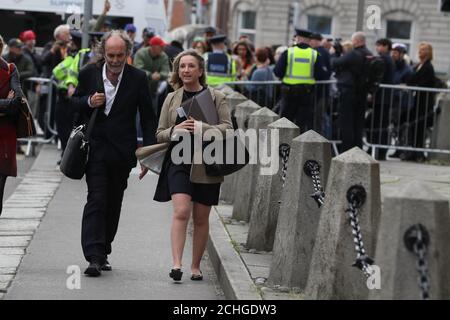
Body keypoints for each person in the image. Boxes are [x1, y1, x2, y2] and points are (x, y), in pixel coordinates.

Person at [70, 30, 157, 277]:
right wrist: (88, 102)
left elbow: (148, 118)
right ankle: (94, 256)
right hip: (95, 148)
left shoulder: (138, 78)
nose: (116, 60)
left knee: (113, 202)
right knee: (96, 198)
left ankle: (104, 248)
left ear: (127, 53)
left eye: (120, 55)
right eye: (111, 55)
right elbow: (73, 104)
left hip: (122, 151)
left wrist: (148, 154)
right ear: (103, 53)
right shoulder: (89, 73)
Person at [154, 49, 232, 282]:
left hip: (207, 162)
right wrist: (174, 131)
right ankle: (176, 264)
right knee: (181, 211)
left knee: (200, 217)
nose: (186, 70)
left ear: (200, 71)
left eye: (190, 66)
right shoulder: (171, 98)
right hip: (178, 159)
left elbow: (228, 128)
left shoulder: (216, 97)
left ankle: (195, 266)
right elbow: (159, 134)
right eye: (182, 66)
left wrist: (203, 128)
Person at [274, 28, 327, 132]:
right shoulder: (314, 54)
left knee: (285, 123)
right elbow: (321, 75)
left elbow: (277, 71)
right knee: (302, 123)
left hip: (289, 92)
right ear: (308, 40)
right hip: (306, 93)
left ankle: (283, 146)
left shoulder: (288, 52)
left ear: (298, 38)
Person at [331, 31, 373, 152]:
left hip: (349, 92)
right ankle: (357, 149)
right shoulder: (369, 54)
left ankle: (347, 150)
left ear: (356, 41)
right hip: (362, 93)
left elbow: (335, 63)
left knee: (347, 123)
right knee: (358, 124)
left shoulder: (354, 54)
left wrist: (335, 54)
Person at [0, 35, 25, 216]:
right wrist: (4, 104)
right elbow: (10, 103)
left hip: (4, 141)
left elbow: (16, 102)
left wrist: (9, 105)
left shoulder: (10, 69)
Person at [401, 42, 436, 161]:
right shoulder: (418, 65)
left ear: (428, 52)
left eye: (423, 50)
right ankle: (412, 151)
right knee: (414, 127)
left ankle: (418, 153)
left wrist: (413, 84)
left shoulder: (428, 67)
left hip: (424, 103)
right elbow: (411, 79)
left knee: (420, 128)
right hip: (416, 102)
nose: (420, 52)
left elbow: (423, 83)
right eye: (420, 50)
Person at [133, 35, 170, 118]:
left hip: (153, 90)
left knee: (152, 114)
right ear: (153, 47)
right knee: (138, 115)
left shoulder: (163, 56)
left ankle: (151, 131)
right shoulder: (141, 53)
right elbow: (137, 69)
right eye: (161, 46)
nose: (163, 47)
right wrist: (150, 75)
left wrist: (159, 75)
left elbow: (166, 72)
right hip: (139, 90)